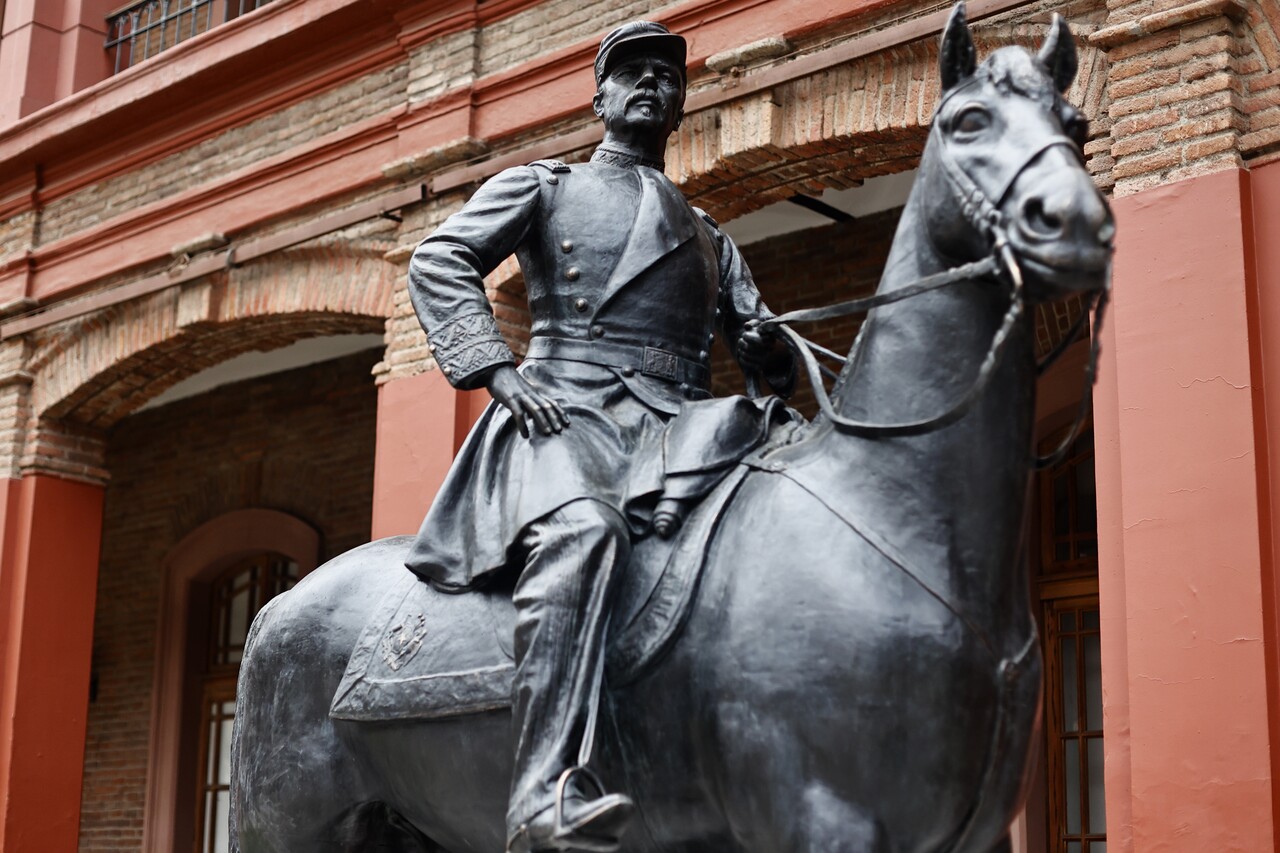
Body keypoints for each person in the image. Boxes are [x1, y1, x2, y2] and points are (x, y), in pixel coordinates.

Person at [405, 21, 794, 853]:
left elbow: (758, 339)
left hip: (680, 423)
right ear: (601, 97)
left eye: (667, 76)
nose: (653, 84)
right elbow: (439, 258)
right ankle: (541, 793)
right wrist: (497, 373)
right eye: (634, 74)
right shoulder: (544, 187)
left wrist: (768, 349)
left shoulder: (709, 235)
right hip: (567, 410)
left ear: (682, 104)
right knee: (583, 533)